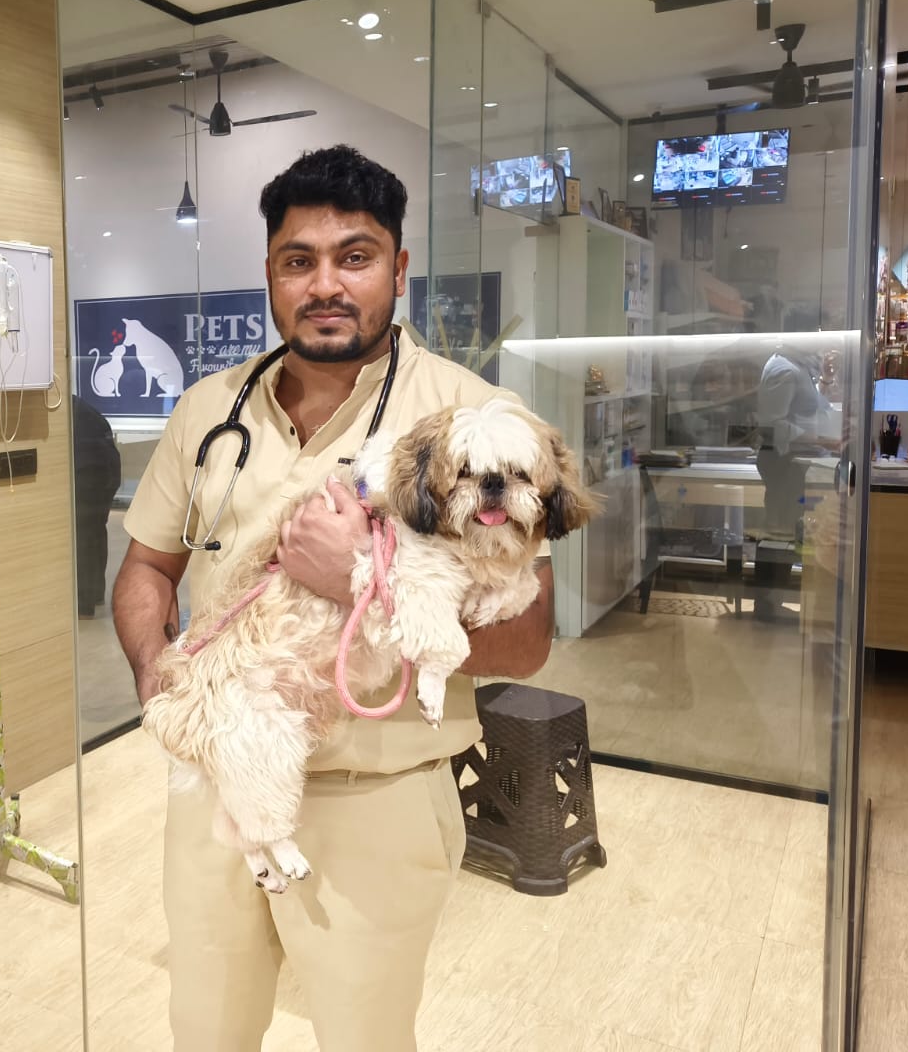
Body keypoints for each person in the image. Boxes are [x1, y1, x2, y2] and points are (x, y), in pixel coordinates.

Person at [113, 145, 556, 1052]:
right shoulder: (208, 410)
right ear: (270, 274)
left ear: (398, 268)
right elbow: (147, 568)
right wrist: (154, 671)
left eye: (354, 257)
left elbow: (530, 639)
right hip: (220, 782)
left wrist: (364, 582)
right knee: (204, 1031)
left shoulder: (469, 418)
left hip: (377, 801)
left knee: (365, 1039)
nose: (325, 284)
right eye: (298, 260)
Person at [753, 308, 839, 619]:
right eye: (816, 332)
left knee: (788, 529)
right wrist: (822, 441)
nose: (820, 339)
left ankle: (772, 602)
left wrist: (825, 379)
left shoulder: (798, 366)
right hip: (783, 462)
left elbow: (809, 408)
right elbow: (773, 424)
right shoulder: (784, 369)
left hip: (795, 461)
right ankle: (766, 605)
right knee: (779, 531)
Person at [72, 393, 122, 617]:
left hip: (91, 473)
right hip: (105, 471)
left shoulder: (65, 410)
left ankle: (83, 603)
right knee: (94, 532)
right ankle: (95, 593)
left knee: (83, 537)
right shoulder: (79, 407)